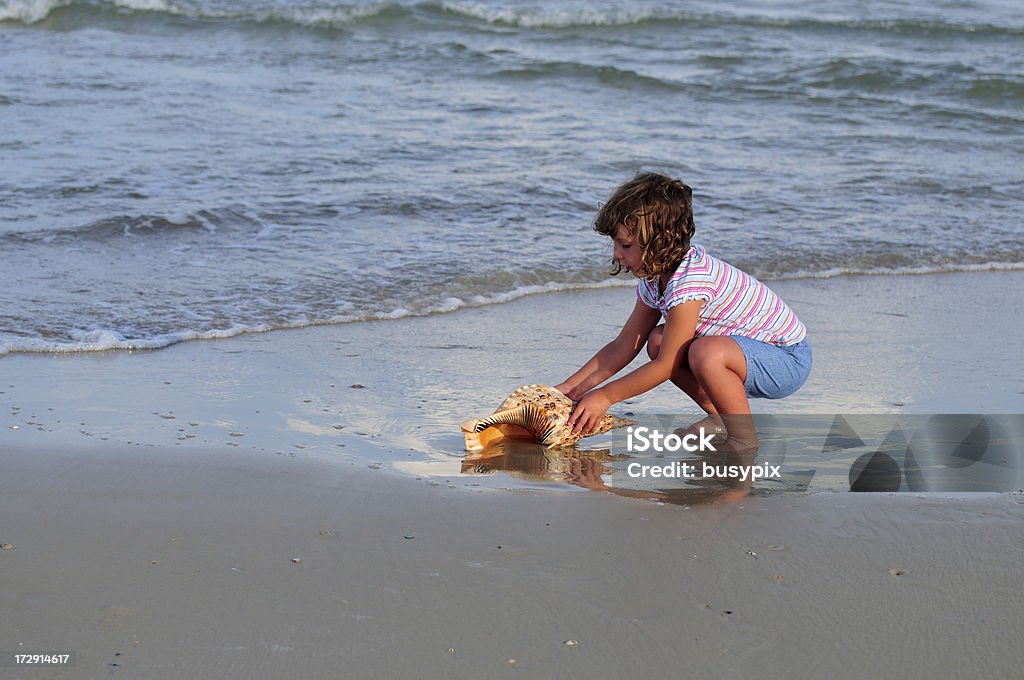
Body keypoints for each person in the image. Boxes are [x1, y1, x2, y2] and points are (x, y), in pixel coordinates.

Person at [555, 172, 811, 449]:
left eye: (626, 245)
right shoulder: (655, 279)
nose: (617, 254)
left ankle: (743, 439)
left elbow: (664, 368)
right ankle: (721, 418)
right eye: (616, 244)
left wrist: (604, 397)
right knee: (658, 340)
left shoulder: (690, 281)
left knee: (703, 352)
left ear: (659, 243)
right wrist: (568, 391)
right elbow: (624, 345)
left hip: (785, 359)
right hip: (743, 352)